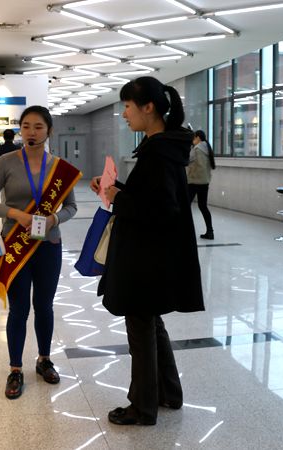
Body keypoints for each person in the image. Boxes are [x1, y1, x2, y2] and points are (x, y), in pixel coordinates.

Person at [90, 77, 204, 425]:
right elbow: (154, 198)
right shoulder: (163, 147)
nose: (124, 113)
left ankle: (142, 407)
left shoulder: (158, 151)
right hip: (154, 256)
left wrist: (118, 198)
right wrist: (116, 189)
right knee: (151, 324)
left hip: (145, 259)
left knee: (141, 331)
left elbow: (161, 209)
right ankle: (169, 393)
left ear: (148, 107)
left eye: (128, 106)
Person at [0, 105, 82, 400]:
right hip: (15, 245)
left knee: (45, 306)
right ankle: (15, 369)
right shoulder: (6, 162)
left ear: (49, 131)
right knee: (19, 309)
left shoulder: (61, 168)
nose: (31, 132)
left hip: (49, 246)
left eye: (38, 127)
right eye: (26, 126)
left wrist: (54, 219)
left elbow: (72, 207)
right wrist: (17, 214)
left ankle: (44, 360)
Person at [187, 130, 215, 240]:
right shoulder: (207, 149)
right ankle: (210, 232)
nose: (192, 140)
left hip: (194, 182)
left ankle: (184, 232)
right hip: (204, 182)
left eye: (193, 138)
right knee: (203, 206)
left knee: (185, 206)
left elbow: (186, 160)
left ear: (198, 138)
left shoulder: (197, 149)